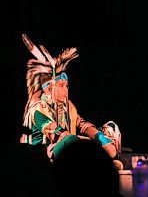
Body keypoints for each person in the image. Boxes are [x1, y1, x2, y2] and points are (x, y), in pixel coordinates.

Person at [19, 34, 122, 168]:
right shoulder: (38, 109)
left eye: (67, 86)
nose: (66, 90)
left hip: (67, 152)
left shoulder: (68, 107)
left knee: (109, 128)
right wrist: (91, 144)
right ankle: (99, 163)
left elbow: (82, 125)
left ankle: (100, 162)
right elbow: (60, 135)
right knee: (70, 140)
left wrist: (101, 138)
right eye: (61, 86)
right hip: (43, 157)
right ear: (49, 89)